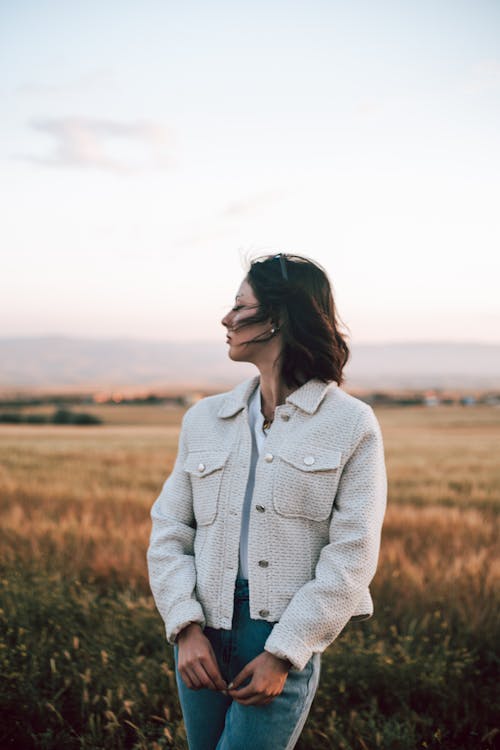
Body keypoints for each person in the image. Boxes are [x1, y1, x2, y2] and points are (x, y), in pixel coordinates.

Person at [147, 253, 387, 750]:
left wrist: (285, 652)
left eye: (240, 306)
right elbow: (170, 530)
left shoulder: (351, 423)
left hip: (280, 635)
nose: (226, 319)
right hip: (201, 635)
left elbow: (353, 555)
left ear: (276, 318)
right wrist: (184, 628)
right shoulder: (204, 419)